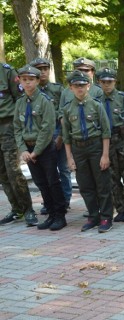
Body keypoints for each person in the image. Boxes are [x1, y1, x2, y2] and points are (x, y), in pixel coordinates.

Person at [14, 65, 66, 231]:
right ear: (20, 81)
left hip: (44, 149)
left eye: (31, 80)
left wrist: (36, 151)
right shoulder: (20, 103)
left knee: (53, 181)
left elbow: (48, 128)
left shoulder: (45, 101)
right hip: (29, 150)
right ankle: (50, 214)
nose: (28, 83)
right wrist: (23, 150)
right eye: (24, 80)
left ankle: (60, 216)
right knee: (41, 183)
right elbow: (17, 128)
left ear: (37, 81)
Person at [62, 70, 113, 233]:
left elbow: (106, 131)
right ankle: (93, 215)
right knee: (85, 184)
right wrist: (69, 158)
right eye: (76, 86)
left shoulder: (96, 105)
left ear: (89, 86)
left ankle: (106, 217)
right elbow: (66, 136)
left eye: (83, 85)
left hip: (95, 147)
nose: (80, 89)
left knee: (102, 183)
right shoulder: (68, 109)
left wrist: (105, 155)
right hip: (78, 148)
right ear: (71, 88)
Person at [30, 57, 70, 213]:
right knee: (47, 171)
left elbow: (64, 113)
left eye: (45, 69)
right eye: (39, 69)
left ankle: (65, 199)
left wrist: (61, 135)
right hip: (40, 136)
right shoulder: (32, 92)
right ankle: (50, 201)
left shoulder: (58, 89)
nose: (43, 72)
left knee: (63, 169)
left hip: (58, 133)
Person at [0, 61, 38, 227]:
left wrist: (19, 126)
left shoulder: (6, 72)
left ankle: (28, 209)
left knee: (13, 171)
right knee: (2, 173)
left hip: (7, 125)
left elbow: (19, 98)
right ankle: (17, 209)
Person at [97, 67, 124, 223]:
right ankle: (120, 208)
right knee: (112, 177)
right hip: (106, 142)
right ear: (99, 82)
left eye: (110, 82)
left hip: (123, 140)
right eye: (104, 82)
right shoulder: (97, 101)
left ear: (115, 82)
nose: (107, 85)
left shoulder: (123, 98)